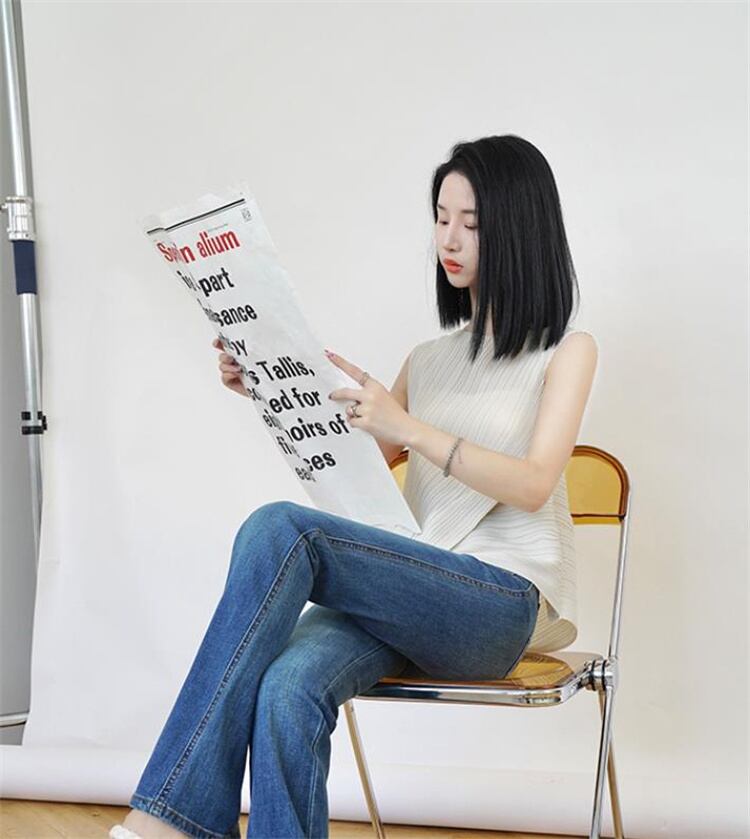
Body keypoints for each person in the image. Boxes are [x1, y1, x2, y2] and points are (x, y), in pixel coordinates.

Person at [112, 134, 598, 839]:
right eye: (441, 217)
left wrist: (411, 427)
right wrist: (267, 384)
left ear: (519, 227)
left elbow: (533, 483)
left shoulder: (566, 350)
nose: (448, 239)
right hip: (413, 591)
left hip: (501, 604)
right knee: (285, 687)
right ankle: (185, 814)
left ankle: (172, 816)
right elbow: (355, 462)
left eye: (471, 222)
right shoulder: (428, 359)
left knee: (282, 527)